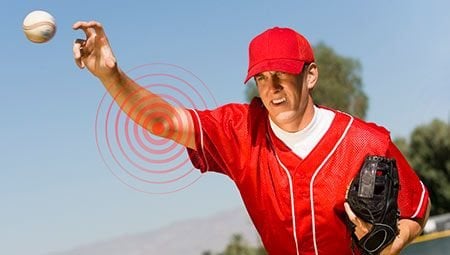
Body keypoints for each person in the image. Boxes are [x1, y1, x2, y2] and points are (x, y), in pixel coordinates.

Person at [72, 21, 430, 255]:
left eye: (282, 75)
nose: (272, 89)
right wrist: (110, 75)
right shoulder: (241, 131)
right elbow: (165, 121)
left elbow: (417, 208)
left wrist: (395, 240)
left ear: (310, 75)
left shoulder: (365, 141)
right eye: (261, 78)